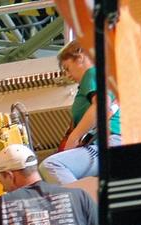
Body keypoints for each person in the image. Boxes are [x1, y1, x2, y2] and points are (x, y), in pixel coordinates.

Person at [41, 42, 121, 184]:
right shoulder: (102, 77)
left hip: (110, 141)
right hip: (111, 141)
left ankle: (78, 198)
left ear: (80, 57)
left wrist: (74, 137)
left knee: (51, 165)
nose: (68, 75)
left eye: (67, 68)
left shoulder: (91, 73)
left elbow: (101, 104)